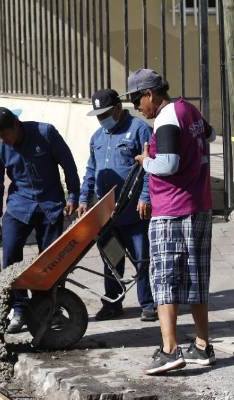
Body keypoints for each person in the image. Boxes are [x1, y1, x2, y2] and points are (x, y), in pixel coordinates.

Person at [127, 69, 217, 374]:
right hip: (199, 205)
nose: (137, 108)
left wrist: (145, 161)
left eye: (137, 101)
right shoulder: (188, 109)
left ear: (150, 94)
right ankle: (202, 345)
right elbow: (210, 135)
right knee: (196, 277)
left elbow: (168, 164)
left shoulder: (166, 117)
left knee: (164, 279)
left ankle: (169, 350)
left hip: (171, 210)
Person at [0, 107, 80, 333]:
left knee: (51, 261)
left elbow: (68, 165)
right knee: (10, 256)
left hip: (51, 205)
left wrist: (73, 196)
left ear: (16, 123)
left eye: (5, 134)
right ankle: (19, 308)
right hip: (19, 206)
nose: (3, 140)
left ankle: (47, 308)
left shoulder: (45, 133)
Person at [78, 89, 156, 322]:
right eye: (99, 115)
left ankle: (148, 304)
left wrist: (145, 197)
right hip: (107, 215)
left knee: (142, 259)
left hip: (134, 213)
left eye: (106, 114)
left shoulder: (140, 130)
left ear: (118, 109)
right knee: (112, 260)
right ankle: (113, 304)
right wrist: (84, 199)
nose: (102, 119)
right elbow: (91, 170)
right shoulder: (97, 137)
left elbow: (150, 168)